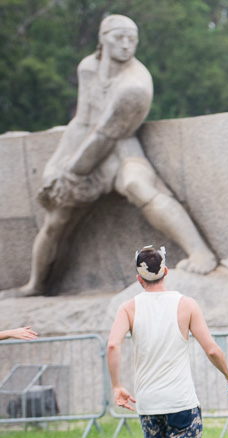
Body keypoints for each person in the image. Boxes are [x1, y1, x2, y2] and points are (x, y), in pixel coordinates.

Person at [6, 15, 217, 298]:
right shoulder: (88, 67)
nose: (127, 45)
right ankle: (36, 284)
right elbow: (82, 121)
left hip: (121, 150)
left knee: (138, 186)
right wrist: (56, 165)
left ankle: (200, 252)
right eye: (120, 37)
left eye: (133, 39)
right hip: (86, 151)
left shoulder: (135, 86)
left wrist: (73, 172)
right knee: (56, 221)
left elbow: (106, 135)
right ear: (102, 38)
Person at [107, 246, 228, 438]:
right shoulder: (186, 305)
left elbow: (113, 344)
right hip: (181, 400)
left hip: (148, 402)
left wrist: (117, 385)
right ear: (166, 271)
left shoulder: (128, 307)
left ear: (139, 278)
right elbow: (212, 349)